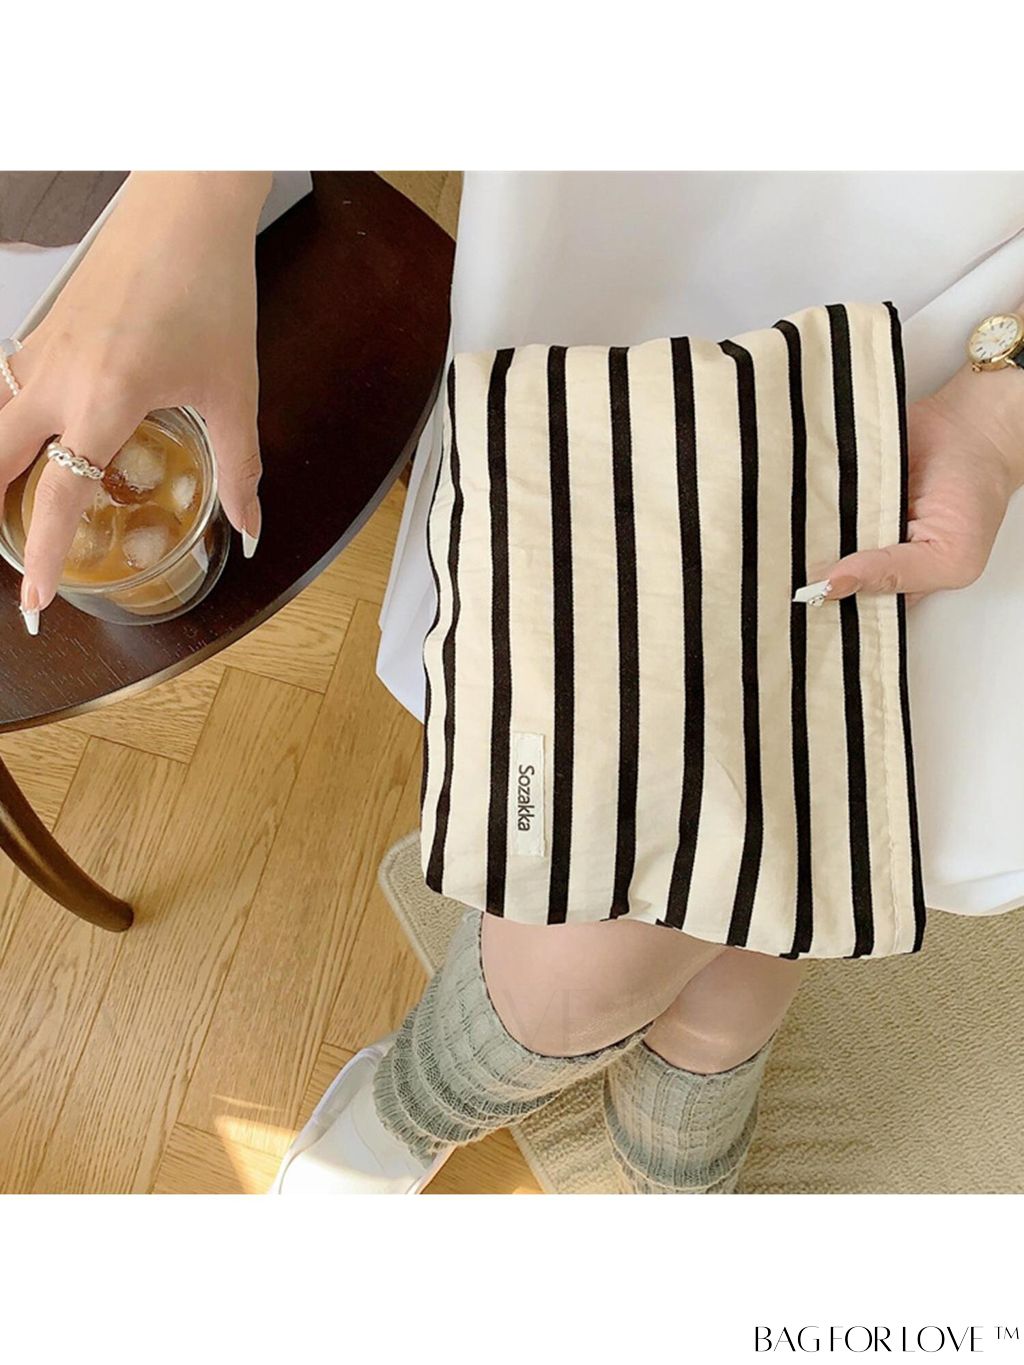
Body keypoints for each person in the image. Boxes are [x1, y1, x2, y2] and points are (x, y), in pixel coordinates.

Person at [3, 171, 1024, 1194]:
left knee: (811, 802)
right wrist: (187, 200)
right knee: (606, 908)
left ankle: (639, 1072)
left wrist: (1002, 399)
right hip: (652, 239)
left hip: (964, 316)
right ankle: (479, 1083)